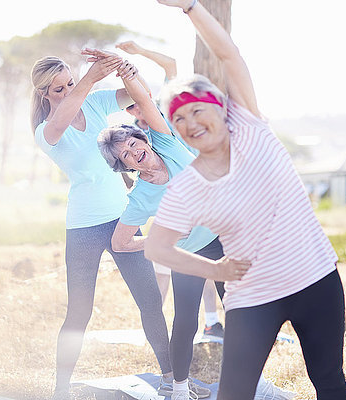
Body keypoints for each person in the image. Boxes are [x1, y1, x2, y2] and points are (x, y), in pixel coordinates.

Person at [145, 1, 346, 399]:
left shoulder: (251, 127)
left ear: (221, 109)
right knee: (234, 393)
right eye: (179, 119)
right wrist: (215, 271)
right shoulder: (188, 185)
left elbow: (228, 54)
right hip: (254, 295)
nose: (189, 124)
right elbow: (157, 246)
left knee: (328, 380)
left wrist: (189, 6)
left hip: (315, 278)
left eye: (196, 110)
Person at [30, 52, 173, 399]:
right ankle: (61, 387)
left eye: (69, 83)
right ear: (45, 94)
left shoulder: (94, 103)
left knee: (150, 300)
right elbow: (62, 120)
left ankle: (171, 378)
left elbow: (140, 95)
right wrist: (90, 78)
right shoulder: (45, 131)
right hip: (83, 227)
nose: (66, 91)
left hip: (123, 219)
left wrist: (127, 70)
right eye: (58, 88)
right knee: (80, 311)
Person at [96, 55, 224, 399]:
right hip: (189, 253)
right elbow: (121, 243)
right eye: (125, 154)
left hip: (223, 238)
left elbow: (145, 103)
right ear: (124, 165)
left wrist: (128, 72)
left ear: (144, 139)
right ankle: (179, 389)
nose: (134, 150)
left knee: (241, 310)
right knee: (186, 321)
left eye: (134, 142)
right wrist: (156, 239)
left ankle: (239, 376)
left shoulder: (167, 142)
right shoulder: (140, 197)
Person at [116, 41, 224, 337]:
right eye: (130, 109)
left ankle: (212, 321)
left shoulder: (164, 107)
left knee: (210, 261)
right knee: (175, 273)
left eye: (137, 103)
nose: (136, 110)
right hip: (173, 195)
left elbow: (171, 65)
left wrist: (138, 49)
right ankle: (159, 333)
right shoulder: (145, 135)